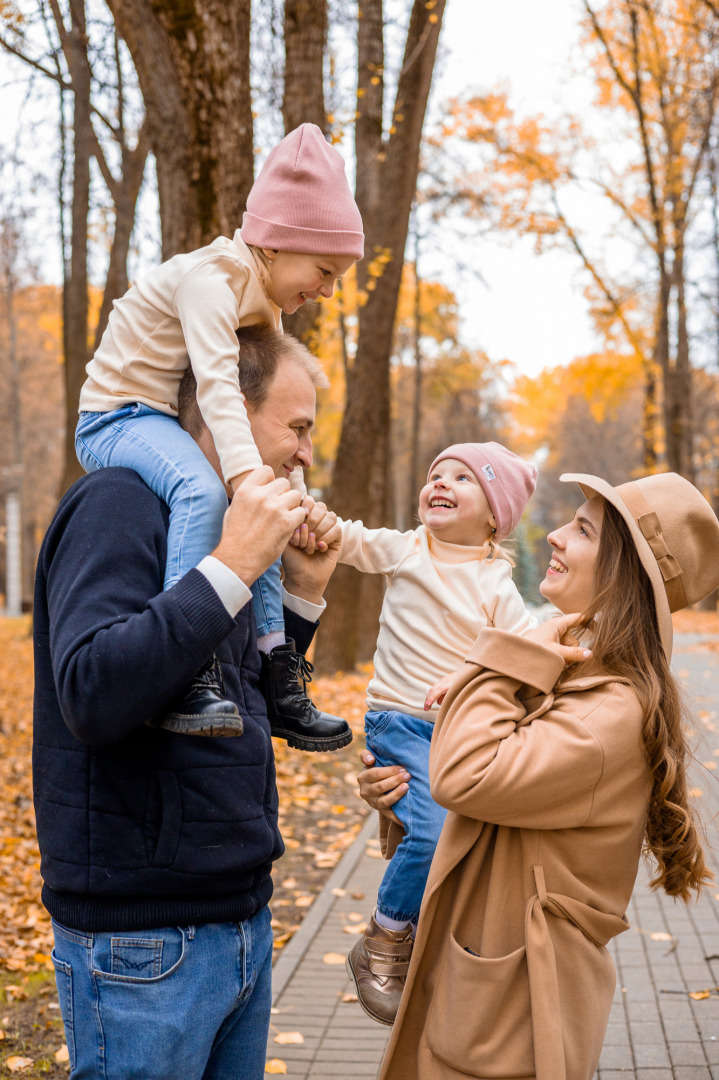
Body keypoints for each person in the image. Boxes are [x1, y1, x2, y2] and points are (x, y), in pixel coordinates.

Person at [33, 334, 343, 1080]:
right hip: (144, 943)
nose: (305, 453)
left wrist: (297, 591)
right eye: (296, 427)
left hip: (238, 919)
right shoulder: (119, 504)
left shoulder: (225, 524)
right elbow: (94, 691)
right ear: (225, 412)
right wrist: (231, 566)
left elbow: (234, 707)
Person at [358, 469, 719, 1080]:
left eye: (582, 530)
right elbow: (476, 802)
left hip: (510, 1014)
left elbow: (464, 776)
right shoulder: (575, 677)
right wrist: (398, 796)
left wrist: (509, 653)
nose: (553, 535)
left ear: (622, 574)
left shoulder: (606, 711)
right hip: (480, 984)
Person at [75, 122, 363, 740]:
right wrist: (246, 480)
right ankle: (188, 674)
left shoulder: (264, 302)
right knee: (209, 494)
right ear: (281, 242)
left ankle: (276, 668)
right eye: (324, 269)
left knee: (250, 510)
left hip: (165, 419)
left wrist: (289, 503)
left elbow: (269, 414)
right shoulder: (211, 279)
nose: (328, 291)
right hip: (117, 415)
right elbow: (218, 387)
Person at [336, 442, 537, 1024]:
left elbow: (525, 656)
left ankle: (420, 936)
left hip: (455, 729)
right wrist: (298, 503)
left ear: (495, 515)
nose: (441, 483)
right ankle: (385, 933)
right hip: (399, 719)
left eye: (463, 479)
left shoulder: (496, 584)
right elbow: (346, 538)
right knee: (433, 828)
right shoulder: (407, 549)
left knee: (448, 833)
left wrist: (471, 672)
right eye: (436, 474)